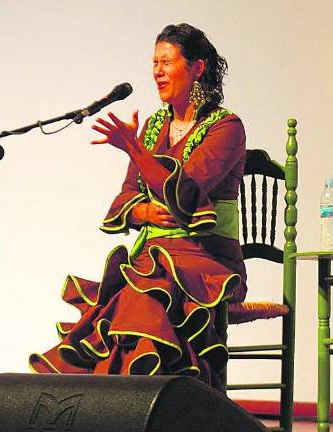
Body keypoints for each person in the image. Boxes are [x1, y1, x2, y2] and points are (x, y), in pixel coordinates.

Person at [30, 23, 246, 390]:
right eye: (154, 62)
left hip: (206, 261)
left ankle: (170, 405)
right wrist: (141, 212)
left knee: (139, 296)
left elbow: (185, 193)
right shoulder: (152, 127)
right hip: (153, 259)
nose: (157, 71)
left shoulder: (225, 128)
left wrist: (134, 150)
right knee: (132, 293)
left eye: (166, 61)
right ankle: (126, 408)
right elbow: (126, 195)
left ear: (197, 67)